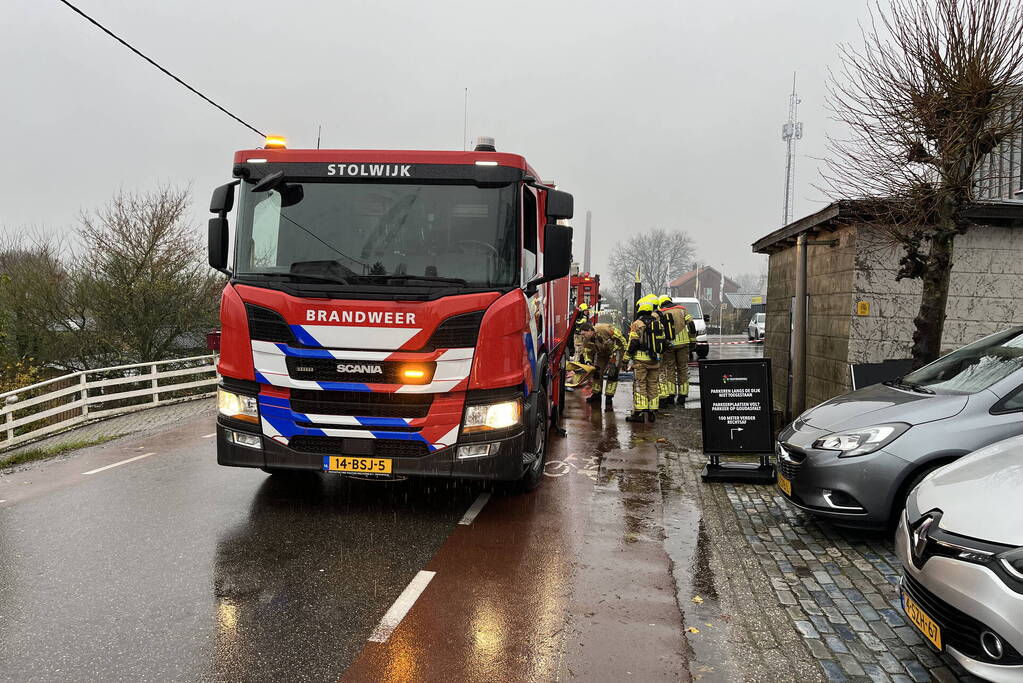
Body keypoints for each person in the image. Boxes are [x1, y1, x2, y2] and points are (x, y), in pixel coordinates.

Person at [624, 298, 665, 423]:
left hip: (640, 360)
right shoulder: (658, 323)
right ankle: (652, 411)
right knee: (653, 384)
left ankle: (640, 413)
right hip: (655, 360)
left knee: (640, 384)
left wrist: (626, 358)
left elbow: (633, 342)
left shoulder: (637, 324)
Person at [578, 322, 627, 410]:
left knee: (612, 373)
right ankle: (596, 394)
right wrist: (588, 362)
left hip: (616, 352)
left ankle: (609, 398)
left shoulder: (605, 329)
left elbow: (622, 339)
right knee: (597, 372)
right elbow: (587, 351)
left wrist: (626, 356)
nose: (583, 336)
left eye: (584, 334)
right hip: (602, 353)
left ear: (590, 330)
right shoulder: (586, 339)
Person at [657, 294, 695, 405]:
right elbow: (691, 325)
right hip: (683, 344)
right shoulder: (682, 310)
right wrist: (692, 341)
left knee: (670, 369)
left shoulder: (661, 313)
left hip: (669, 345)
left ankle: (671, 395)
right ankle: (682, 396)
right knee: (683, 369)